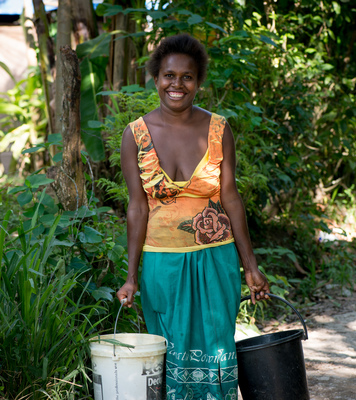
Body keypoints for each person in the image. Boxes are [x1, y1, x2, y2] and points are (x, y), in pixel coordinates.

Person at [116, 33, 270, 400]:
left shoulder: (219, 130)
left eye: (187, 77)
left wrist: (250, 266)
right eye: (169, 75)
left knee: (217, 346)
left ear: (199, 82)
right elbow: (137, 207)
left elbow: (231, 199)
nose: (177, 84)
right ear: (156, 78)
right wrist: (131, 276)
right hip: (161, 263)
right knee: (169, 351)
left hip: (215, 258)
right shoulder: (135, 135)